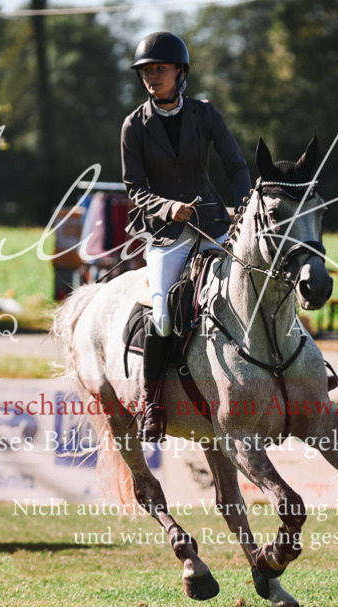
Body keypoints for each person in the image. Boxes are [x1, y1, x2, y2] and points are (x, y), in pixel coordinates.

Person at [121, 31, 251, 442]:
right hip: (166, 236)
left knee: (253, 284)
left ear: (180, 72)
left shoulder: (206, 114)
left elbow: (235, 164)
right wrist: (165, 207)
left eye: (160, 69)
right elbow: (134, 188)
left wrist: (245, 206)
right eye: (146, 71)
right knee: (162, 317)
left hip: (212, 226)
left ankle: (302, 368)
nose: (152, 77)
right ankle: (152, 404)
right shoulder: (133, 126)